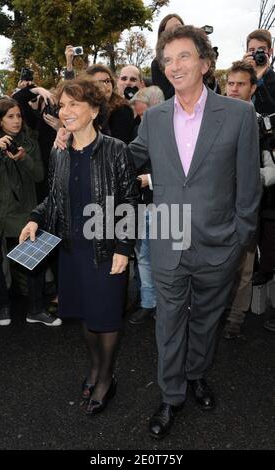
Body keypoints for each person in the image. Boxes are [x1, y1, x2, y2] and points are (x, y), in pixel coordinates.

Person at [129, 25, 261, 439]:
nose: (174, 66)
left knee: (205, 321)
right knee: (168, 323)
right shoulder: (153, 118)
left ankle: (197, 373)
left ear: (204, 62)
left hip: (219, 245)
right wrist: (79, 137)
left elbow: (248, 185)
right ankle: (171, 396)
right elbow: (125, 160)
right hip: (168, 240)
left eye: (183, 56)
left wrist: (242, 238)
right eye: (167, 60)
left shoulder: (240, 115)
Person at [19, 78, 139, 415]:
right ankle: (96, 367)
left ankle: (105, 377)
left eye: (74, 104)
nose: (65, 111)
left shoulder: (116, 149)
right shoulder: (60, 151)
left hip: (106, 250)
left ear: (94, 110)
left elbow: (129, 202)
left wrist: (123, 248)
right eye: (62, 104)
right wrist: (34, 218)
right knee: (85, 316)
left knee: (106, 318)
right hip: (71, 251)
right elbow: (54, 198)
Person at [0, 98, 61, 327]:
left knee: (34, 258)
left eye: (19, 116)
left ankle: (35, 308)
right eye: (10, 116)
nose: (16, 121)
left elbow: (39, 176)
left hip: (24, 208)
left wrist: (23, 158)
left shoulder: (30, 142)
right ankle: (2, 307)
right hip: (1, 209)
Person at [222, 61, 258, 339]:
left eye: (241, 84)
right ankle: (215, 311)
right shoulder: (214, 119)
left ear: (252, 88)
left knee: (244, 268)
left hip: (246, 204)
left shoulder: (261, 122)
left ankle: (236, 317)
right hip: (216, 206)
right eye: (230, 83)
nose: (234, 89)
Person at [129, 86, 165, 325]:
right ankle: (148, 304)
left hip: (168, 207)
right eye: (139, 115)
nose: (141, 120)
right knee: (143, 257)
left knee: (169, 260)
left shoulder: (176, 131)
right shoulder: (141, 131)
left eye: (144, 114)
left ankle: (169, 307)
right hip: (143, 206)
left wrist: (150, 180)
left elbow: (186, 173)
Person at [243, 29, 275, 287]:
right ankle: (250, 266)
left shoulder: (270, 80)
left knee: (269, 216)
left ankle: (267, 268)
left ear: (270, 52)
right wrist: (248, 75)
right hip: (247, 155)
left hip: (271, 155)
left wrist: (261, 80)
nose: (256, 54)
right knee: (250, 214)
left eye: (260, 50)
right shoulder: (242, 79)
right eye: (251, 50)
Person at [151, 13, 184, 100]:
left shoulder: (196, 57)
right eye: (170, 30)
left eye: (179, 28)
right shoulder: (157, 64)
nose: (176, 32)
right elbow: (163, 97)